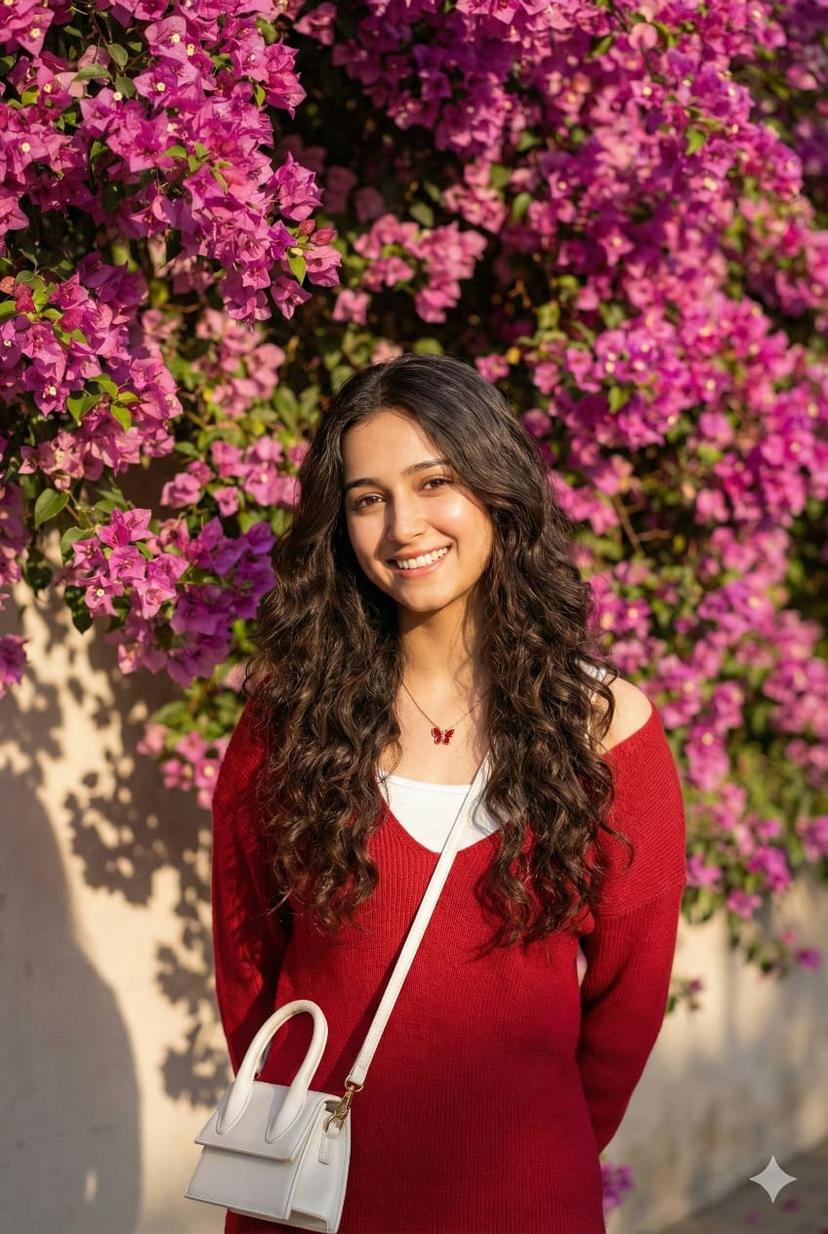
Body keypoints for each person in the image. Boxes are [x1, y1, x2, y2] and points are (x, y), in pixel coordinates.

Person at [211, 352, 688, 1234]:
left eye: (435, 481)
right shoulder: (285, 723)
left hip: (522, 1196)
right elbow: (246, 963)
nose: (403, 526)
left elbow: (630, 1001)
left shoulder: (605, 729)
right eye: (367, 498)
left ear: (495, 490)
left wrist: (541, 1147)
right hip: (306, 1199)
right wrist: (291, 1123)